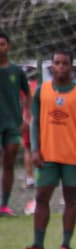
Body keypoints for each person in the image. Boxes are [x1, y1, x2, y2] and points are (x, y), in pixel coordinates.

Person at [18, 49, 76, 249]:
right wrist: (35, 150)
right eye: (57, 63)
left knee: (70, 199)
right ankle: (37, 244)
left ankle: (66, 244)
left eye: (65, 63)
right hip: (47, 155)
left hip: (73, 155)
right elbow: (34, 124)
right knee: (42, 197)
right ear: (51, 66)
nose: (61, 67)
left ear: (71, 67)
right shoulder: (42, 91)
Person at [0, 31, 31, 216]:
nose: (0, 47)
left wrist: (26, 117)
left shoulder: (16, 71)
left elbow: (27, 94)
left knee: (9, 162)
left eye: (3, 44)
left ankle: (4, 205)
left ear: (8, 47)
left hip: (13, 124)